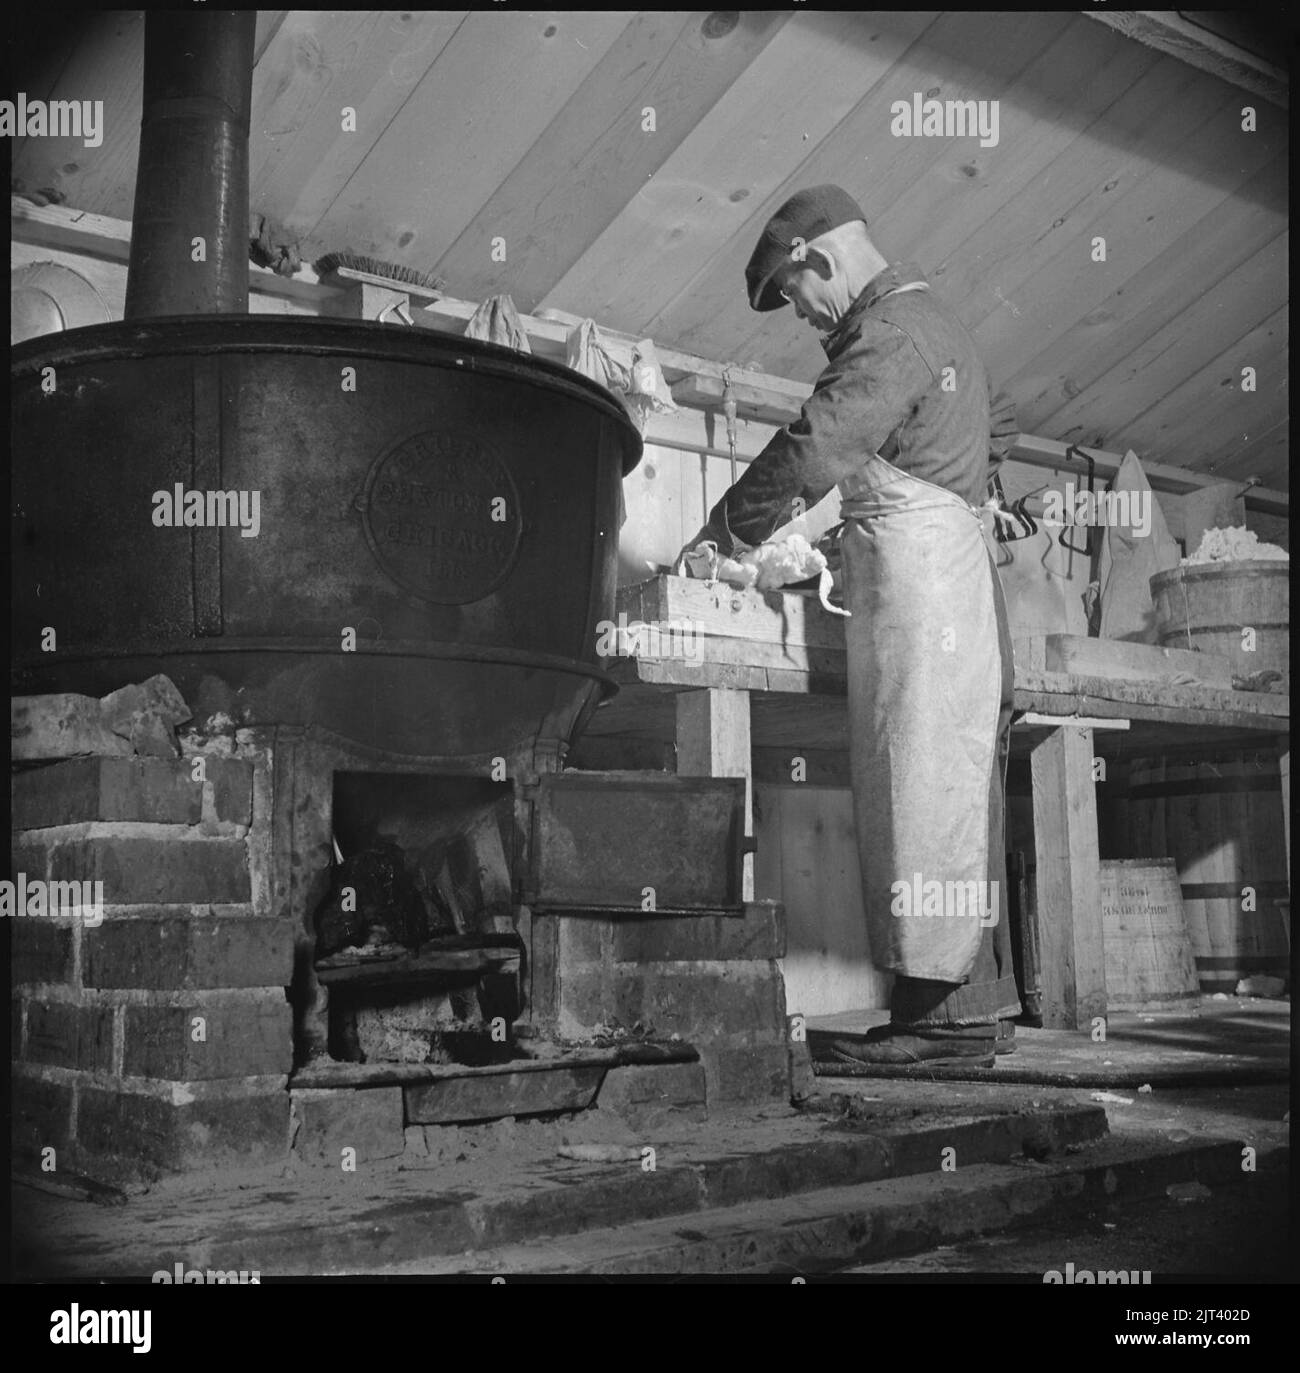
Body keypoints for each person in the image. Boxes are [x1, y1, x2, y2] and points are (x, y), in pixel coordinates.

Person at [678, 185, 1021, 1067]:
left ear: (817, 260)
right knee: (932, 790)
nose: (801, 316)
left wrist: (717, 536)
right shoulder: (934, 325)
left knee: (924, 788)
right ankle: (943, 1011)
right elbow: (945, 453)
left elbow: (814, 445)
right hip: (937, 592)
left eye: (794, 297)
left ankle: (942, 1024)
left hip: (929, 602)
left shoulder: (892, 334)